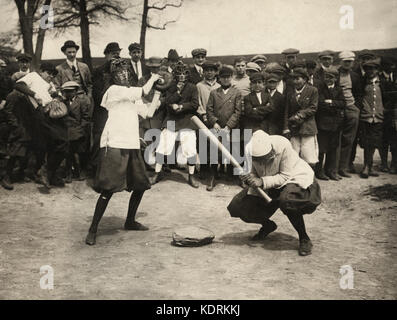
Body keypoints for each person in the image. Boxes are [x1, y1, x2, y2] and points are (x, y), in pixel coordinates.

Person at [85, 59, 162, 246]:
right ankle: (92, 229)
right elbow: (143, 90)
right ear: (113, 77)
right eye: (119, 73)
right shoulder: (113, 90)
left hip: (132, 143)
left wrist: (159, 92)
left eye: (126, 73)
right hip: (114, 143)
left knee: (140, 184)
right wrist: (154, 77)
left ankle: (130, 221)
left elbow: (148, 112)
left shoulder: (131, 95)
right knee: (108, 188)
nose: (124, 75)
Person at [227, 130, 321, 256]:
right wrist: (247, 178)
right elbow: (252, 172)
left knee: (287, 201)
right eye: (258, 160)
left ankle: (304, 238)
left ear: (271, 151)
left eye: (264, 158)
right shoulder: (250, 149)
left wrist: (261, 181)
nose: (261, 162)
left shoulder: (283, 145)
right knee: (237, 206)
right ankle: (267, 225)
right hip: (267, 183)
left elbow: (284, 176)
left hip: (292, 179)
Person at [11, 62, 68, 189]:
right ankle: (46, 172)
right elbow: (18, 85)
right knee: (58, 141)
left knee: (63, 141)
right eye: (49, 73)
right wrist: (34, 94)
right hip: (38, 113)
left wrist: (58, 97)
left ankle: (48, 172)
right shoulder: (33, 76)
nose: (51, 76)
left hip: (51, 113)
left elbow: (54, 93)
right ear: (41, 71)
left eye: (53, 75)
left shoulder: (49, 83)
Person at [150, 62, 200, 188]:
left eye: (184, 73)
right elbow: (167, 102)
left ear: (187, 75)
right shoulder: (171, 86)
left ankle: (191, 175)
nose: (182, 76)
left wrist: (182, 106)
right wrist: (176, 95)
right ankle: (157, 173)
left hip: (186, 119)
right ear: (175, 75)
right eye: (179, 74)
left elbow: (195, 104)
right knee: (162, 146)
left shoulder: (193, 87)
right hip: (172, 119)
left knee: (190, 148)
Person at [206, 65, 242, 191]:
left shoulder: (236, 93)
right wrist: (214, 123)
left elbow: (238, 112)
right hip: (217, 127)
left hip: (231, 128)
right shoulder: (214, 93)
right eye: (223, 77)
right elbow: (209, 110)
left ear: (232, 78)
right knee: (215, 152)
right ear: (219, 78)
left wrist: (228, 126)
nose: (226, 80)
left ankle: (236, 177)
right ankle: (213, 176)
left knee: (234, 152)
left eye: (228, 77)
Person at [91, 42, 122, 174]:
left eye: (118, 54)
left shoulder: (123, 70)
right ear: (106, 54)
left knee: (116, 140)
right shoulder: (99, 70)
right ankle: (95, 169)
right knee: (100, 139)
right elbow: (97, 94)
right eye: (113, 54)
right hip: (102, 111)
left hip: (118, 111)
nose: (116, 57)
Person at [315, 67, 346, 181]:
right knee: (322, 149)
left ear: (336, 78)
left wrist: (331, 102)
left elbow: (343, 103)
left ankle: (330, 171)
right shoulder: (320, 89)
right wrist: (335, 106)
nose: (328, 79)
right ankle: (319, 171)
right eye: (326, 77)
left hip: (335, 125)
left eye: (331, 77)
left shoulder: (339, 89)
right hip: (323, 124)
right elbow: (321, 104)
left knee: (333, 148)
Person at [285, 67, 319, 169]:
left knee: (309, 156)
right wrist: (286, 127)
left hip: (307, 127)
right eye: (293, 79)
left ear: (305, 79)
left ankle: (309, 177)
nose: (295, 81)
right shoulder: (290, 92)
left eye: (298, 78)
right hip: (294, 128)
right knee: (293, 154)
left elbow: (313, 108)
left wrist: (299, 115)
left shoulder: (313, 90)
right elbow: (286, 111)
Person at [337, 51, 363, 177]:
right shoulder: (335, 74)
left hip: (351, 108)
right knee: (336, 138)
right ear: (341, 62)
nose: (347, 64)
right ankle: (333, 167)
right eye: (345, 61)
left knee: (349, 139)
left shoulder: (355, 76)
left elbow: (359, 93)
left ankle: (344, 167)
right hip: (337, 109)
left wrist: (356, 108)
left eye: (350, 61)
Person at [358, 60, 385, 178]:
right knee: (366, 141)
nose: (370, 71)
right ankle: (366, 166)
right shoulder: (362, 83)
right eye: (368, 69)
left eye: (373, 69)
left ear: (377, 70)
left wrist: (383, 110)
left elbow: (387, 98)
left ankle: (369, 166)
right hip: (366, 117)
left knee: (374, 142)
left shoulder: (382, 83)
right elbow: (359, 98)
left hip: (378, 117)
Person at [62, 81, 91, 182]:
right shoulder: (63, 102)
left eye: (70, 91)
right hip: (67, 130)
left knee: (78, 152)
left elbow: (86, 117)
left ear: (75, 91)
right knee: (68, 152)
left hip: (78, 130)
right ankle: (68, 173)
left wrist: (80, 130)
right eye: (66, 92)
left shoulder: (81, 102)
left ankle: (79, 172)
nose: (68, 94)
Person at [196, 60, 221, 179]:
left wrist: (216, 119)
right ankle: (204, 169)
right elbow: (199, 103)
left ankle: (214, 170)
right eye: (207, 71)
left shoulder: (219, 86)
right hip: (204, 118)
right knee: (203, 144)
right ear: (203, 72)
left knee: (215, 144)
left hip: (216, 119)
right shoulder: (199, 86)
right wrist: (204, 115)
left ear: (216, 72)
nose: (209, 73)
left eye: (211, 70)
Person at [379, 56, 397, 174]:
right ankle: (384, 163)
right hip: (382, 112)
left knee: (394, 140)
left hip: (394, 112)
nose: (391, 68)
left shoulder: (395, 77)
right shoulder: (378, 78)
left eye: (392, 65)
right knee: (383, 139)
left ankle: (394, 164)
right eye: (388, 65)